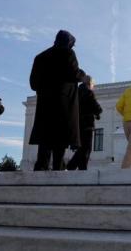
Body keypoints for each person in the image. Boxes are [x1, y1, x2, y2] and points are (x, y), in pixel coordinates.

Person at [29, 30, 85, 171]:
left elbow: (33, 84)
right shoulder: (68, 54)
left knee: (45, 139)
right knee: (60, 140)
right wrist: (83, 75)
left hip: (45, 105)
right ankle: (58, 169)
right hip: (63, 104)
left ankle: (40, 168)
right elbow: (74, 73)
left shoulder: (40, 57)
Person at [67, 75, 102, 171]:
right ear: (89, 83)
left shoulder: (76, 93)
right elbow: (96, 107)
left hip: (77, 125)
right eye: (93, 85)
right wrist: (98, 112)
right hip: (87, 124)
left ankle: (81, 168)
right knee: (86, 148)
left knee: (81, 148)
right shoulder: (88, 92)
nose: (93, 87)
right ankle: (72, 166)